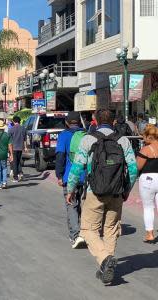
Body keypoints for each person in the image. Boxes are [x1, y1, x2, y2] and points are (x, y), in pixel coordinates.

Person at [66, 109, 138, 285]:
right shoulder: (123, 140)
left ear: (95, 121)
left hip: (94, 192)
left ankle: (105, 260)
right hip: (116, 191)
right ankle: (106, 269)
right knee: (111, 229)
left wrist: (70, 189)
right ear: (114, 122)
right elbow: (133, 168)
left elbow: (77, 168)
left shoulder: (88, 139)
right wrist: (126, 189)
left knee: (88, 229)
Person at [55, 112, 87, 249]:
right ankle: (81, 232)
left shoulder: (64, 135)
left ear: (67, 123)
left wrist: (59, 175)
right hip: (86, 175)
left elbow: (60, 156)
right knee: (81, 204)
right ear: (79, 122)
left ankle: (75, 235)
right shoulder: (87, 135)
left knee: (71, 205)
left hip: (70, 176)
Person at [136, 125, 158, 243]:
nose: (143, 139)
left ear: (149, 136)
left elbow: (137, 166)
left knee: (148, 207)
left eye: (144, 136)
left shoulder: (146, 149)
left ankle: (150, 234)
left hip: (148, 179)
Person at [8, 116, 26, 182]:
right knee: (18, 161)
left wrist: (8, 150)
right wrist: (25, 147)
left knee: (14, 162)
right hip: (20, 147)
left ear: (13, 121)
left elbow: (8, 140)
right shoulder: (23, 128)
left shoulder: (11, 129)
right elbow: (25, 139)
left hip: (13, 148)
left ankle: (15, 177)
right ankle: (20, 173)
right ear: (19, 121)